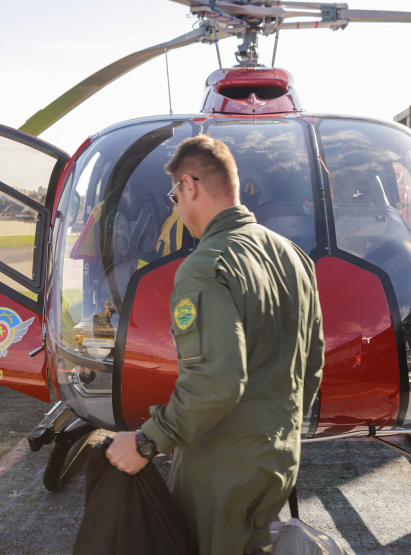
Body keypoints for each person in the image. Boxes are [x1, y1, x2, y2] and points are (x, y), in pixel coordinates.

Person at [105, 135, 325, 554]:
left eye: (175, 195)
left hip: (224, 468)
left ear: (189, 186)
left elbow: (215, 382)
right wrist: (278, 433)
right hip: (280, 455)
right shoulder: (294, 256)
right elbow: (311, 363)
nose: (178, 206)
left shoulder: (205, 267)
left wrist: (146, 441)